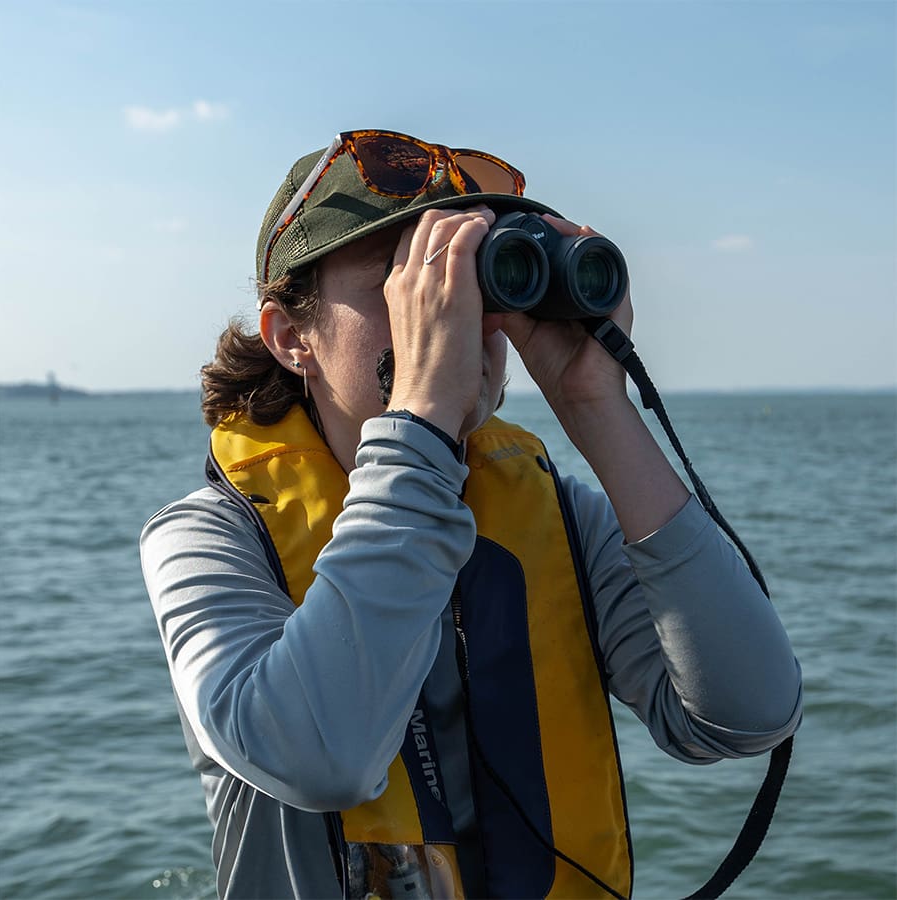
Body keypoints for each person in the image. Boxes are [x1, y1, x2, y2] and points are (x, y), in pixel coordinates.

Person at [140, 129, 802, 900]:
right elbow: (321, 755)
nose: (452, 310)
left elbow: (748, 715)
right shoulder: (206, 539)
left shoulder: (558, 519)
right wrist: (420, 419)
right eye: (409, 277)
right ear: (292, 338)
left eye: (474, 275)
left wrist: (598, 407)